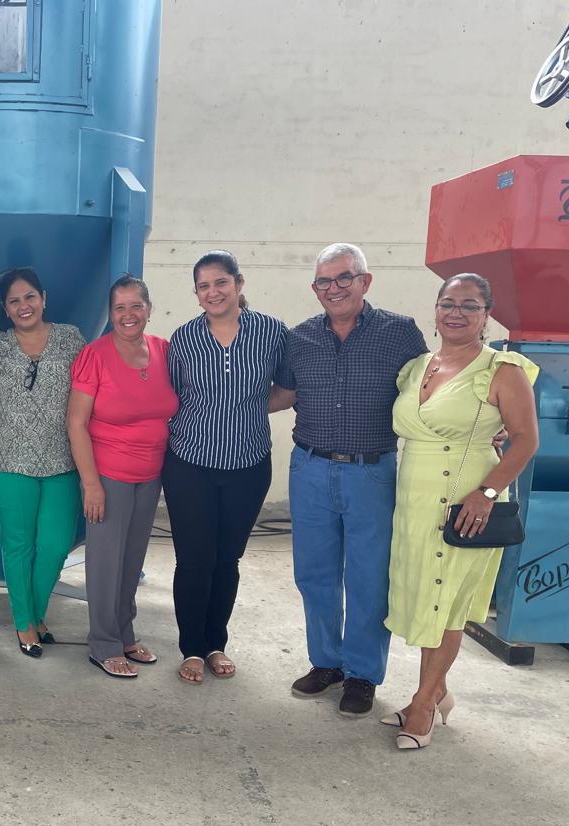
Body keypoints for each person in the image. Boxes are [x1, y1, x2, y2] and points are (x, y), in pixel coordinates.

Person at [269, 243, 427, 716]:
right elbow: (284, 393)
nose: (334, 288)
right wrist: (223, 402)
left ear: (365, 281)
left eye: (344, 277)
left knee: (367, 578)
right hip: (310, 468)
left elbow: (429, 389)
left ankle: (361, 674)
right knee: (313, 573)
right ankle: (326, 662)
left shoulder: (400, 333)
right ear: (314, 288)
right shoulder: (300, 338)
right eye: (324, 281)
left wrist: (486, 420)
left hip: (371, 473)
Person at [382, 273, 538, 749]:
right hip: (415, 500)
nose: (456, 313)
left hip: (467, 503)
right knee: (424, 599)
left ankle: (423, 705)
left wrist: (486, 493)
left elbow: (525, 440)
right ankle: (438, 691)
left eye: (469, 305)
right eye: (448, 303)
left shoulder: (502, 370)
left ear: (486, 314)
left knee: (446, 604)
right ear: (435, 309)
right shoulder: (416, 368)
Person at [164, 251, 288, 684]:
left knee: (227, 558)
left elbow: (288, 388)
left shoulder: (271, 332)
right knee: (193, 560)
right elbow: (173, 396)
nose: (213, 292)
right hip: (189, 464)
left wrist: (246, 409)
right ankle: (191, 648)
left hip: (248, 465)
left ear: (238, 282)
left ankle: (216, 643)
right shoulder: (184, 339)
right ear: (196, 293)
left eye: (220, 282)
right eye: (204, 286)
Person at [68, 275, 178, 679]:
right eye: (119, 308)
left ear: (148, 308)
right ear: (111, 313)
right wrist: (91, 484)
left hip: (151, 474)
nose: (128, 315)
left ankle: (124, 633)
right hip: (109, 475)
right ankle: (103, 643)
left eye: (136, 306)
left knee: (132, 561)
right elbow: (76, 423)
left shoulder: (164, 350)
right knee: (106, 563)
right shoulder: (95, 356)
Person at [0, 267, 86, 658]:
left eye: (29, 297)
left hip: (62, 458)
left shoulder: (70, 338)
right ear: (5, 308)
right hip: (7, 460)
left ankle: (36, 612)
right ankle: (25, 623)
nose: (23, 306)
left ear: (43, 298)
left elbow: (91, 389)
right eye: (14, 301)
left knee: (56, 544)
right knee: (18, 545)